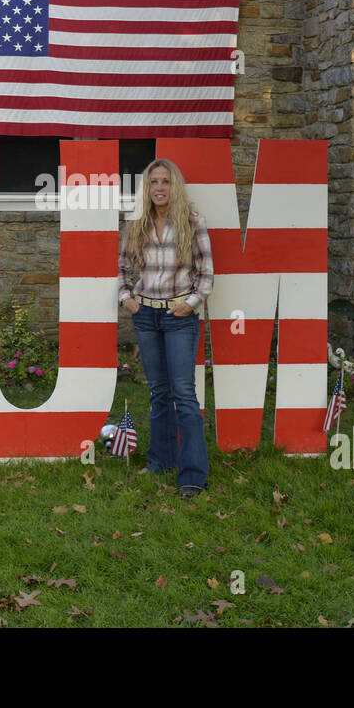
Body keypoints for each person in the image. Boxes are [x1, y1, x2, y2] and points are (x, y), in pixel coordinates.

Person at [117, 159, 214, 499]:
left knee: (184, 395)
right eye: (154, 182)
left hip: (178, 318)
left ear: (176, 187)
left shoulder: (192, 222)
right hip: (146, 316)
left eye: (166, 182)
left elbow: (206, 272)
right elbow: (123, 267)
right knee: (159, 393)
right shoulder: (137, 225)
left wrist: (192, 303)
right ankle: (160, 460)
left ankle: (192, 475)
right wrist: (127, 298)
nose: (159, 188)